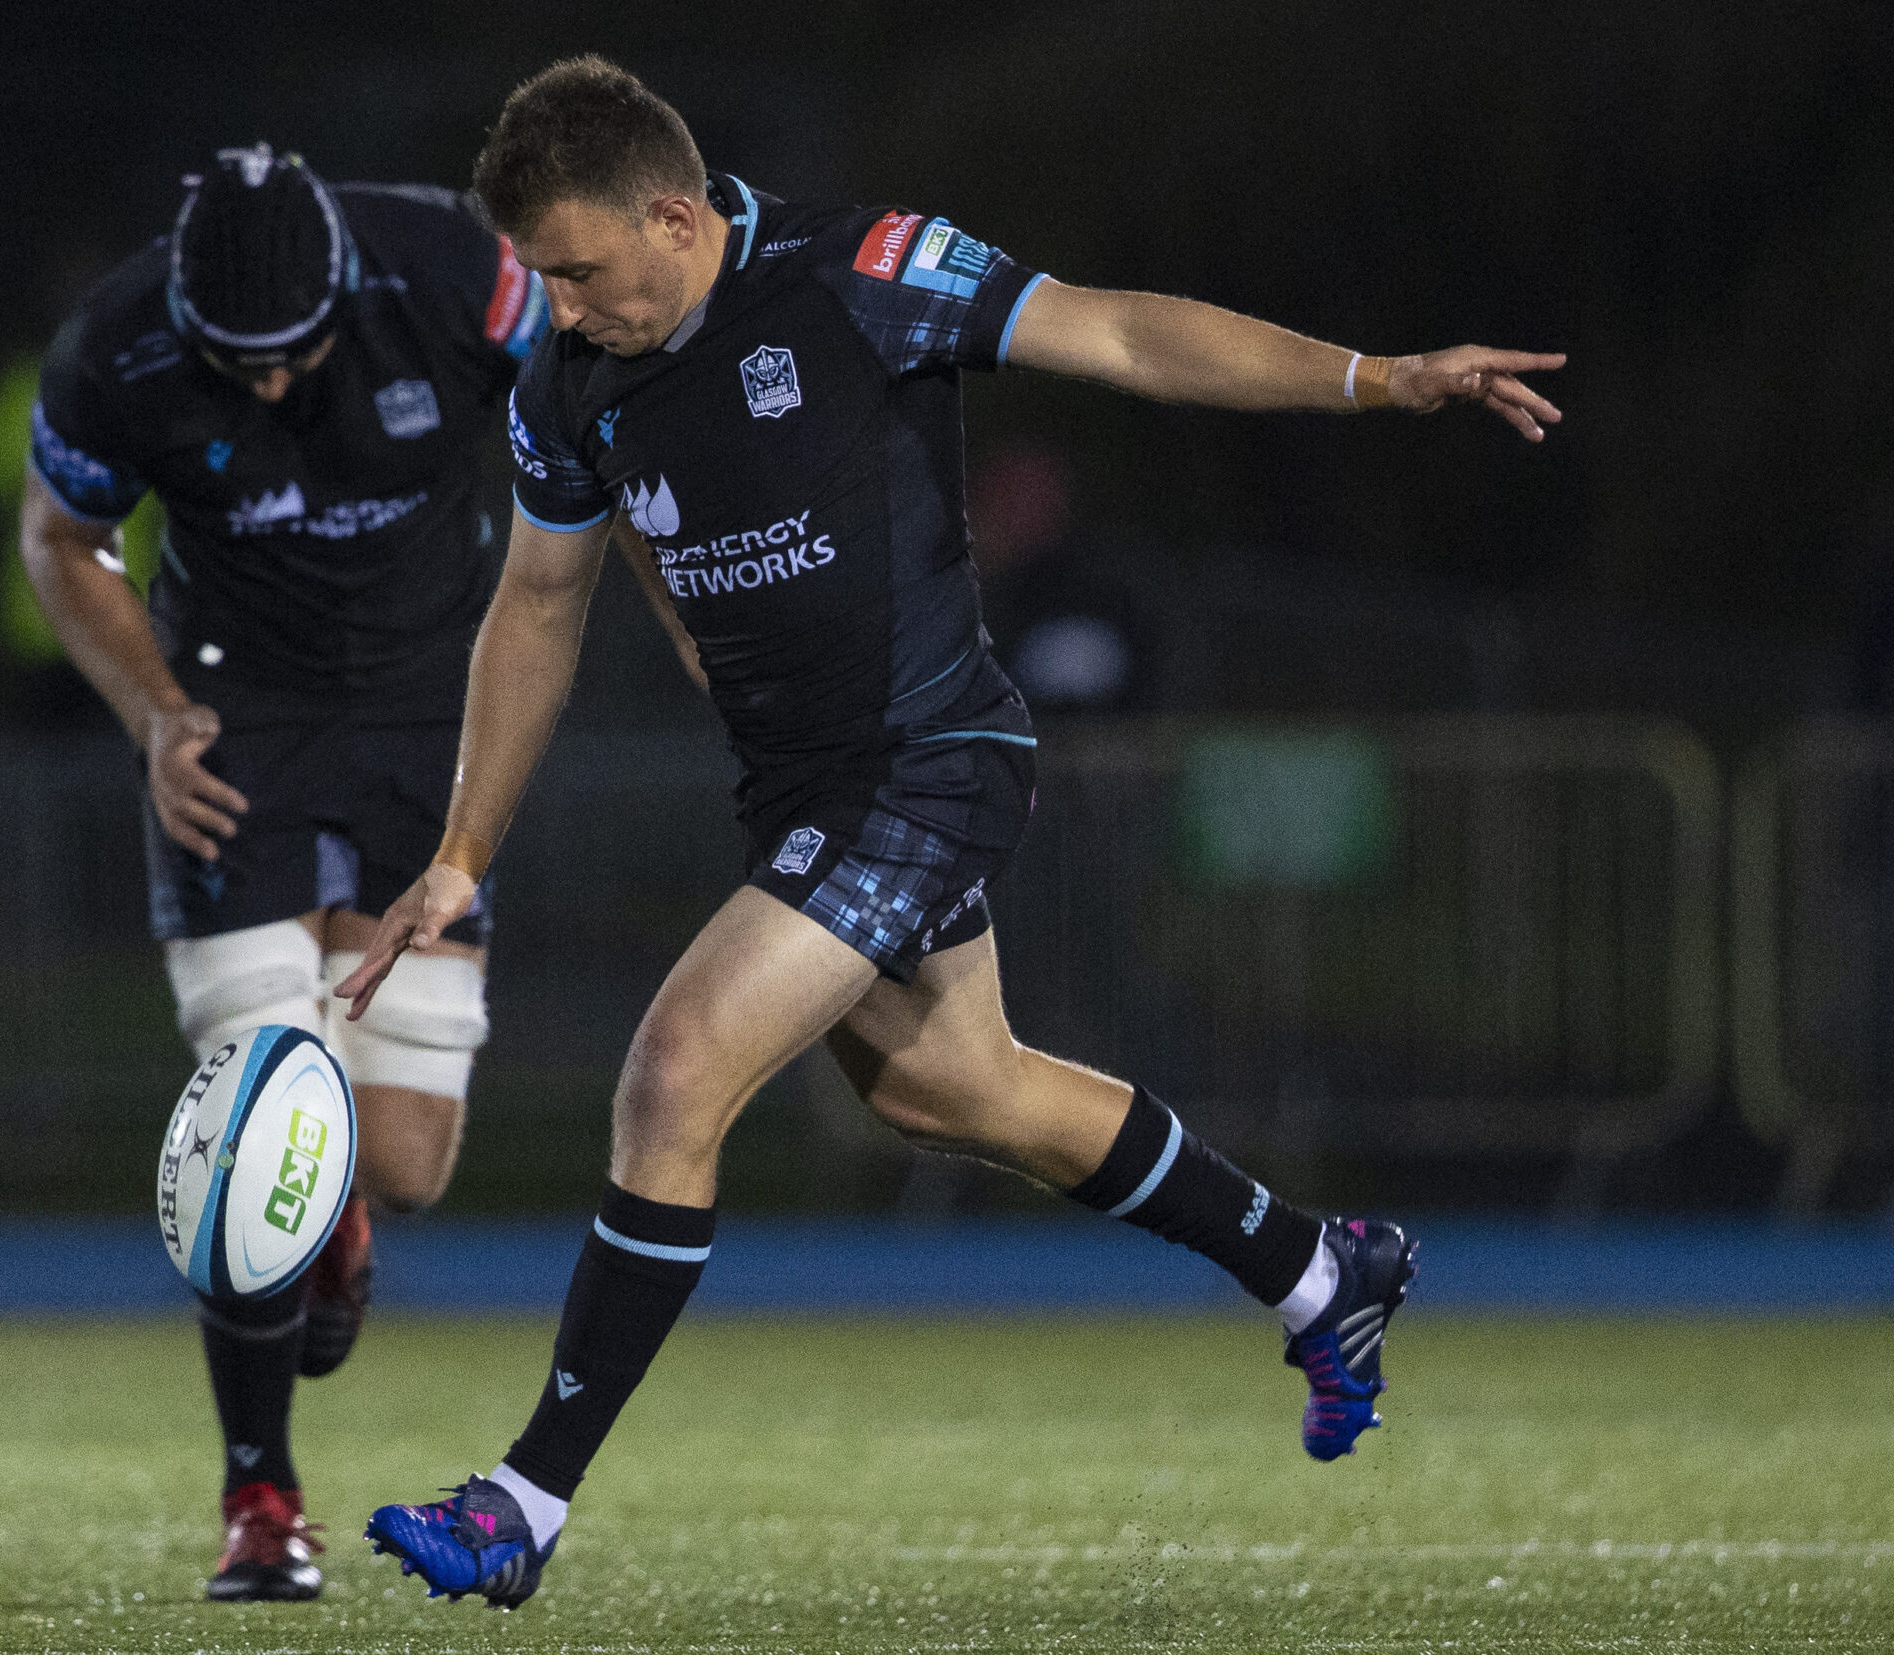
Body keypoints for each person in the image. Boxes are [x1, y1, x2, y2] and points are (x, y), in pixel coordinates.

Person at [337, 57, 1564, 1608]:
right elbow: (535, 606)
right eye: (542, 278)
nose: (562, 307)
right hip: (798, 791)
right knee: (955, 1087)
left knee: (676, 1068)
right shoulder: (567, 384)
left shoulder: (863, 273)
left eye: (578, 271)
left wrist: (1377, 378)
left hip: (930, 762)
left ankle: (523, 1504)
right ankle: (1322, 1271)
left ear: (673, 216)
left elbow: (1120, 333)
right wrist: (460, 855)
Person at [19, 141, 552, 1602]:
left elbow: (602, 404)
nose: (261, 386)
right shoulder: (114, 348)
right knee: (252, 1111)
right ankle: (260, 1496)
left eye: (289, 355)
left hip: (431, 719)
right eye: (231, 360)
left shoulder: (458, 274)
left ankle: (341, 1218)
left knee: (404, 1163)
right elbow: (61, 539)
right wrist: (155, 716)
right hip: (233, 714)